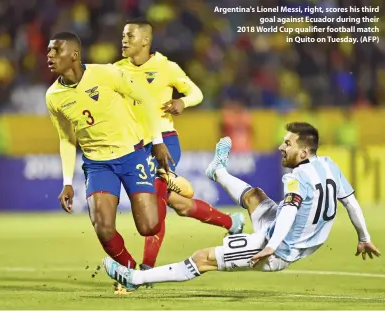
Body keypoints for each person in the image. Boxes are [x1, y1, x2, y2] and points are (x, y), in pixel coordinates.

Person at [103, 122, 381, 290]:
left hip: (276, 248)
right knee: (255, 196)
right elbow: (351, 203)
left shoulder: (297, 178)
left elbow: (289, 212)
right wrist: (364, 237)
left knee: (202, 259)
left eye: (288, 144)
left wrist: (271, 246)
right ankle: (218, 171)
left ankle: (135, 278)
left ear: (304, 152)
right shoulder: (329, 165)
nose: (281, 147)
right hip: (295, 238)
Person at [114, 18, 244, 274]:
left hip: (164, 143)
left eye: (129, 35)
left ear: (145, 40)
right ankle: (232, 221)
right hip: (135, 147)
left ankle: (146, 269)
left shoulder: (166, 67)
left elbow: (197, 93)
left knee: (154, 203)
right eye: (123, 35)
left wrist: (183, 103)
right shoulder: (116, 70)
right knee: (179, 203)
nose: (124, 40)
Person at [45, 31, 176, 273]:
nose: (50, 55)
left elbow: (145, 98)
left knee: (149, 227)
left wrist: (157, 141)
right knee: (103, 227)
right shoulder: (53, 97)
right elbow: (66, 139)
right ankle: (128, 271)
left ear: (74, 55)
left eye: (56, 50)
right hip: (97, 164)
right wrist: (67, 181)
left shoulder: (105, 73)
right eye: (49, 51)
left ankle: (167, 191)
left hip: (132, 154)